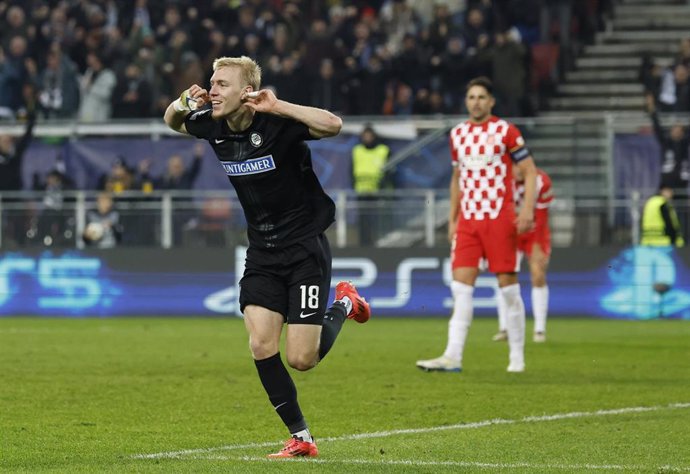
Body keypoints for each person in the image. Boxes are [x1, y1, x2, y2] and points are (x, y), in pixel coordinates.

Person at [163, 56, 371, 458]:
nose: (214, 89)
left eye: (223, 83)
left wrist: (278, 105)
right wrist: (183, 101)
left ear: (246, 92)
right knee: (261, 344)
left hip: (303, 249)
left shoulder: (277, 123)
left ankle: (345, 303)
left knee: (301, 358)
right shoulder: (212, 123)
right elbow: (171, 120)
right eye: (212, 82)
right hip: (261, 252)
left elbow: (334, 125)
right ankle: (302, 438)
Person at [416, 76, 537, 374]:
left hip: (499, 218)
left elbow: (530, 172)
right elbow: (457, 178)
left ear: (491, 101)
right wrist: (453, 218)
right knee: (460, 288)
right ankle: (452, 356)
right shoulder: (457, 134)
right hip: (469, 221)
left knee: (508, 291)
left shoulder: (505, 131)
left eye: (482, 97)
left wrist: (527, 210)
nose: (476, 102)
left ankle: (517, 358)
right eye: (471, 97)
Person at [493, 167, 553, 344]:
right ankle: (504, 328)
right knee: (503, 276)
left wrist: (537, 245)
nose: (518, 170)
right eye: (515, 165)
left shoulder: (542, 181)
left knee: (538, 274)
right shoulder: (501, 178)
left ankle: (539, 329)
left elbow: (542, 215)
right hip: (510, 232)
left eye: (521, 166)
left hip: (534, 233)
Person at [647, 100, 690, 235]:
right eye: (674, 129)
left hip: (682, 187)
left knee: (684, 215)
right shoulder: (666, 143)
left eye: (679, 129)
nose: (676, 131)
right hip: (666, 186)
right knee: (660, 207)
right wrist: (653, 111)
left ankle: (685, 240)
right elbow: (658, 129)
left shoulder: (684, 146)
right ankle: (669, 234)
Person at [351, 123, 390, 246]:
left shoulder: (383, 150)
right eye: (365, 135)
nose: (367, 138)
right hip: (361, 191)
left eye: (369, 135)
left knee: (377, 222)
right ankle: (363, 243)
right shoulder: (357, 150)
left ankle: (376, 243)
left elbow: (389, 173)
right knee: (363, 222)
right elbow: (351, 170)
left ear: (374, 136)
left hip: (377, 192)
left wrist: (384, 189)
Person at [640, 183, 685, 247]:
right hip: (663, 243)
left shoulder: (650, 202)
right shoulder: (662, 203)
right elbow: (669, 223)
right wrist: (674, 239)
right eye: (670, 191)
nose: (672, 194)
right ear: (663, 191)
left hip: (647, 243)